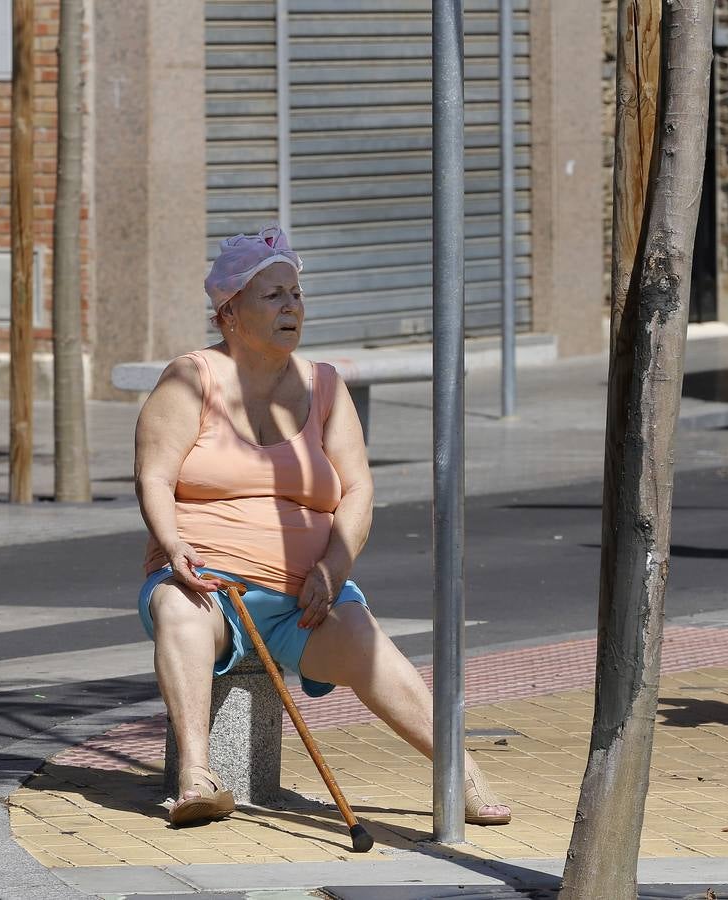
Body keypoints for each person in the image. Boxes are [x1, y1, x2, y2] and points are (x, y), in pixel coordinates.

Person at [134, 227, 511, 826]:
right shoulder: (189, 379)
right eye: (274, 296)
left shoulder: (326, 386)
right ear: (229, 312)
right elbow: (154, 477)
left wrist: (334, 568)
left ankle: (457, 769)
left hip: (304, 595)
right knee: (179, 612)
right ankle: (196, 777)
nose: (291, 307)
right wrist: (174, 545)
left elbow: (358, 488)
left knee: (365, 642)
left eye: (297, 294)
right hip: (206, 580)